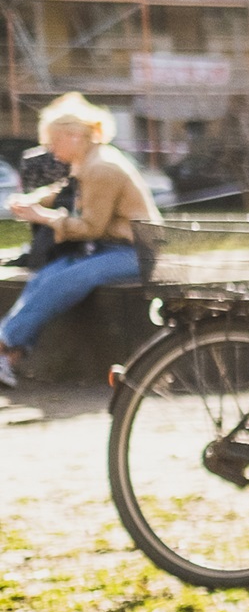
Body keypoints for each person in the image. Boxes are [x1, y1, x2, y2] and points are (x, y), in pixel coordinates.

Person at [0, 93, 160, 390]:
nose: (49, 149)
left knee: (68, 280)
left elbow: (90, 227)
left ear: (74, 137)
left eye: (53, 141)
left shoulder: (102, 168)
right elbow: (66, 189)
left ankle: (4, 342)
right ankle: (9, 359)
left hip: (136, 253)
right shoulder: (91, 159)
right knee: (45, 277)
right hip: (112, 248)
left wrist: (44, 217)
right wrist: (32, 201)